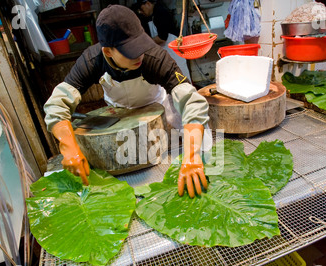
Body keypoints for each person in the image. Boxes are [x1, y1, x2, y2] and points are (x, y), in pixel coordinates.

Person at [43, 5, 210, 198]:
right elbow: (57, 105)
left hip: (156, 115)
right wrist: (68, 145)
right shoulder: (91, 60)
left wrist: (192, 155)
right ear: (108, 52)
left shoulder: (155, 57)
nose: (139, 55)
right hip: (119, 120)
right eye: (130, 51)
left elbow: (191, 101)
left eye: (139, 45)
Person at [131, 0, 192, 82]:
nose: (140, 12)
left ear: (148, 3)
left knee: (181, 77)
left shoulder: (160, 12)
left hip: (173, 53)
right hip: (164, 54)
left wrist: (145, 45)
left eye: (141, 9)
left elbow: (162, 38)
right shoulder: (149, 17)